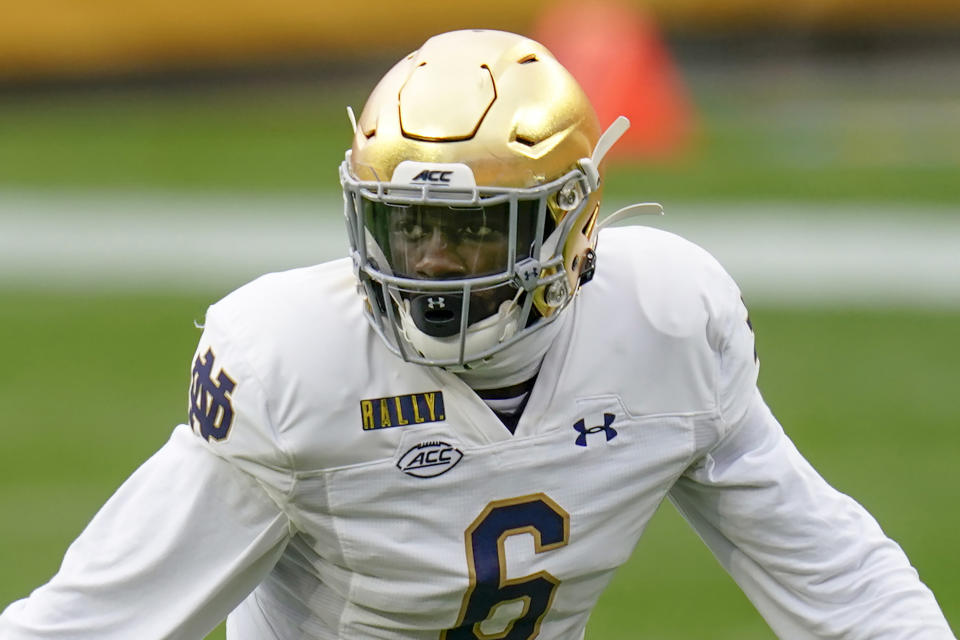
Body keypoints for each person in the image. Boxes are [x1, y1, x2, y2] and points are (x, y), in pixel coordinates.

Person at [0, 29, 953, 640]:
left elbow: (841, 582)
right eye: (405, 228)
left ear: (573, 223)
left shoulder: (667, 324)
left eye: (469, 231)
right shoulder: (295, 366)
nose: (431, 265)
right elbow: (98, 616)